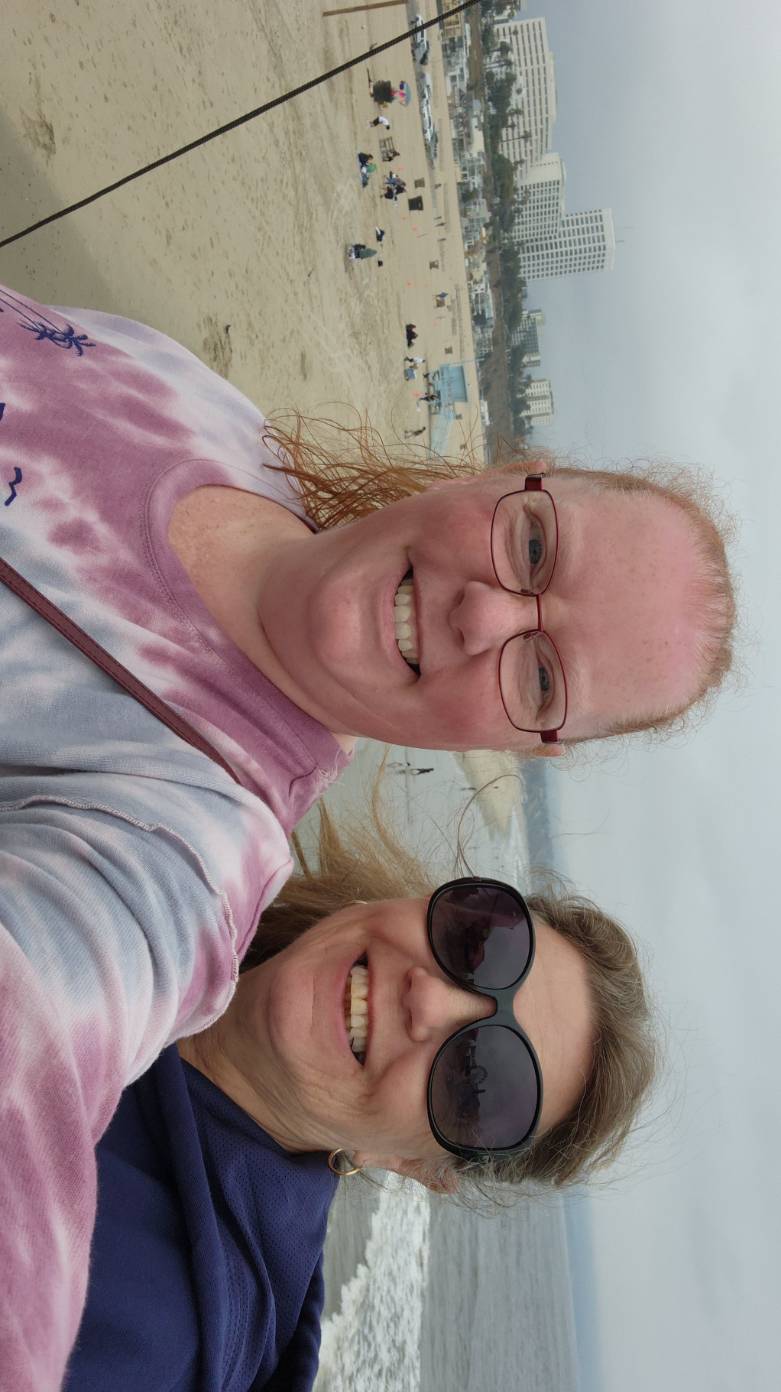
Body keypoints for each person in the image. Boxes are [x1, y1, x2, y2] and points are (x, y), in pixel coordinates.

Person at [0, 281, 736, 1387]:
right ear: (498, 474)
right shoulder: (215, 421)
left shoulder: (181, 864)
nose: (481, 612)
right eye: (480, 939)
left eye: (481, 1081)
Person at [64, 803, 657, 1390]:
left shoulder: (138, 1334)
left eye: (477, 1079)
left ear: (417, 1165)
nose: (427, 1000)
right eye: (476, 944)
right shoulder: (165, 830)